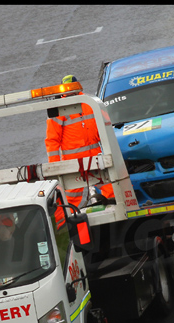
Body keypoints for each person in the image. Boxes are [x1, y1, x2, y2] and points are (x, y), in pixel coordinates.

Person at [45, 75, 113, 227]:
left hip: (94, 158)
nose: (70, 93)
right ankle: (60, 226)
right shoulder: (59, 109)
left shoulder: (90, 102)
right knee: (67, 199)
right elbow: (52, 140)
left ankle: (114, 217)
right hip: (73, 164)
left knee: (112, 189)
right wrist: (55, 167)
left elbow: (105, 127)